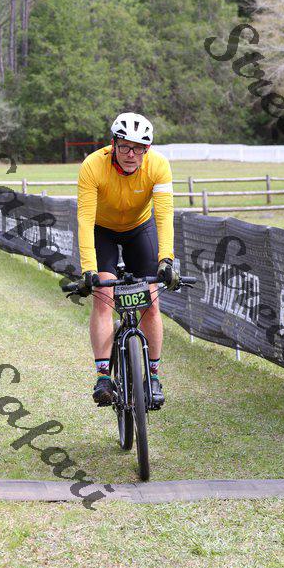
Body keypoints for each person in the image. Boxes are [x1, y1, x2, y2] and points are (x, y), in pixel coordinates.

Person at [77, 112, 179, 408]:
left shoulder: (158, 166)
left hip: (139, 229)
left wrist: (166, 260)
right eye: (125, 146)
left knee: (151, 301)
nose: (131, 154)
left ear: (148, 149)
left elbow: (164, 216)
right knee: (103, 296)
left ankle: (153, 376)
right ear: (114, 144)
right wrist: (88, 269)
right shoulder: (92, 165)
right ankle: (103, 377)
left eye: (139, 148)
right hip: (102, 231)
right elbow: (85, 219)